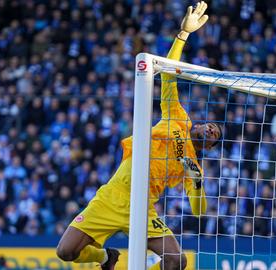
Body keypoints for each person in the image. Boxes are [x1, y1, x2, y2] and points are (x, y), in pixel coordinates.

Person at [56, 2, 222, 269]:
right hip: (112, 195)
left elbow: (199, 211)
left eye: (217, 135)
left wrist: (197, 182)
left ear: (210, 147)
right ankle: (105, 256)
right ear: (201, 124)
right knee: (65, 252)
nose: (213, 129)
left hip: (143, 208)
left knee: (176, 261)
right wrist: (183, 35)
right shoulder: (177, 117)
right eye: (213, 125)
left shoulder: (192, 166)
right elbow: (168, 77)